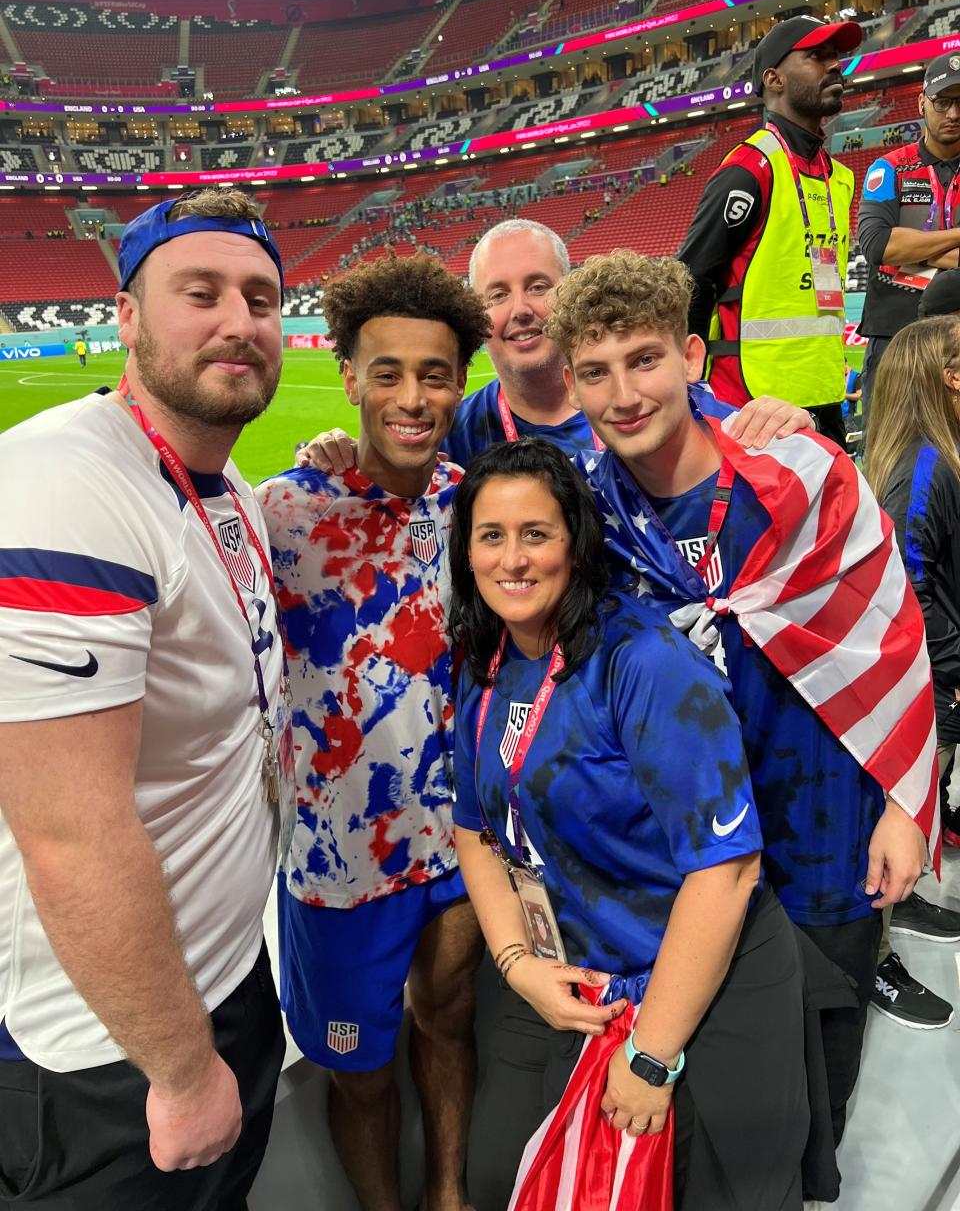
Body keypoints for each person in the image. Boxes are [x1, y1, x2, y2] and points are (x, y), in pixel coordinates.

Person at [544, 250, 939, 1195]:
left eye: (643, 361)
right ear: (571, 383)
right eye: (594, 373)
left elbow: (889, 637)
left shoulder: (799, 470)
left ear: (690, 355)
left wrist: (905, 804)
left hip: (826, 801)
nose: (623, 393)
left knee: (831, 1010)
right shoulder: (587, 506)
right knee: (728, 1022)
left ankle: (815, 1176)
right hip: (692, 828)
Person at [0, 187, 288, 1208]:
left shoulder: (231, 489)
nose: (237, 321)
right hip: (110, 1049)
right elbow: (70, 834)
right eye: (197, 292)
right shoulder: (63, 485)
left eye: (260, 297)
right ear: (126, 316)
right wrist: (177, 1064)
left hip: (221, 976)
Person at [449, 438, 808, 1209]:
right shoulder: (484, 661)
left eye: (536, 533)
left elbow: (728, 868)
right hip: (570, 979)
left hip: (703, 980)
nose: (513, 559)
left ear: (577, 546)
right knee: (496, 1177)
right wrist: (516, 964)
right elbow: (474, 829)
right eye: (491, 535)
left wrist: (651, 1056)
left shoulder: (643, 661)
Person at [256, 254, 490, 1211]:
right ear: (346, 376)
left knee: (448, 1020)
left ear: (459, 383)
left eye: (434, 373)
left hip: (460, 842)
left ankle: (445, 1195)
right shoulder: (282, 513)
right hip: (335, 859)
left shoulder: (477, 507)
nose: (411, 395)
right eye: (385, 371)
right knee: (359, 1072)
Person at [304, 219, 815, 476]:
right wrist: (334, 455)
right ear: (479, 317)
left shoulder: (653, 403)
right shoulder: (454, 430)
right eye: (498, 294)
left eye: (539, 286)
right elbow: (381, 486)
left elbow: (754, 445)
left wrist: (785, 430)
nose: (521, 309)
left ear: (569, 293)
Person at [679, 15, 863, 449]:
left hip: (825, 397)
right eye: (816, 56)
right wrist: (685, 389)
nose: (834, 65)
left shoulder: (839, 178)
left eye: (835, 56)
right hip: (754, 409)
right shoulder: (749, 170)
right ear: (774, 79)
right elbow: (690, 282)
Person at [863, 315, 960, 1025]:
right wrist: (949, 671)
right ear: (946, 376)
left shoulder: (940, 457)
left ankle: (904, 904)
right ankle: (875, 960)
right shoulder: (922, 468)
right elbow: (909, 587)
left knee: (917, 814)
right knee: (896, 815)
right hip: (928, 683)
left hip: (941, 674)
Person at [857, 55, 960, 420]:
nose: (953, 113)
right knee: (888, 457)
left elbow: (896, 246)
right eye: (943, 101)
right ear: (922, 103)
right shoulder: (890, 168)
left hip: (957, 338)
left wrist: (914, 248)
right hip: (894, 337)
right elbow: (878, 245)